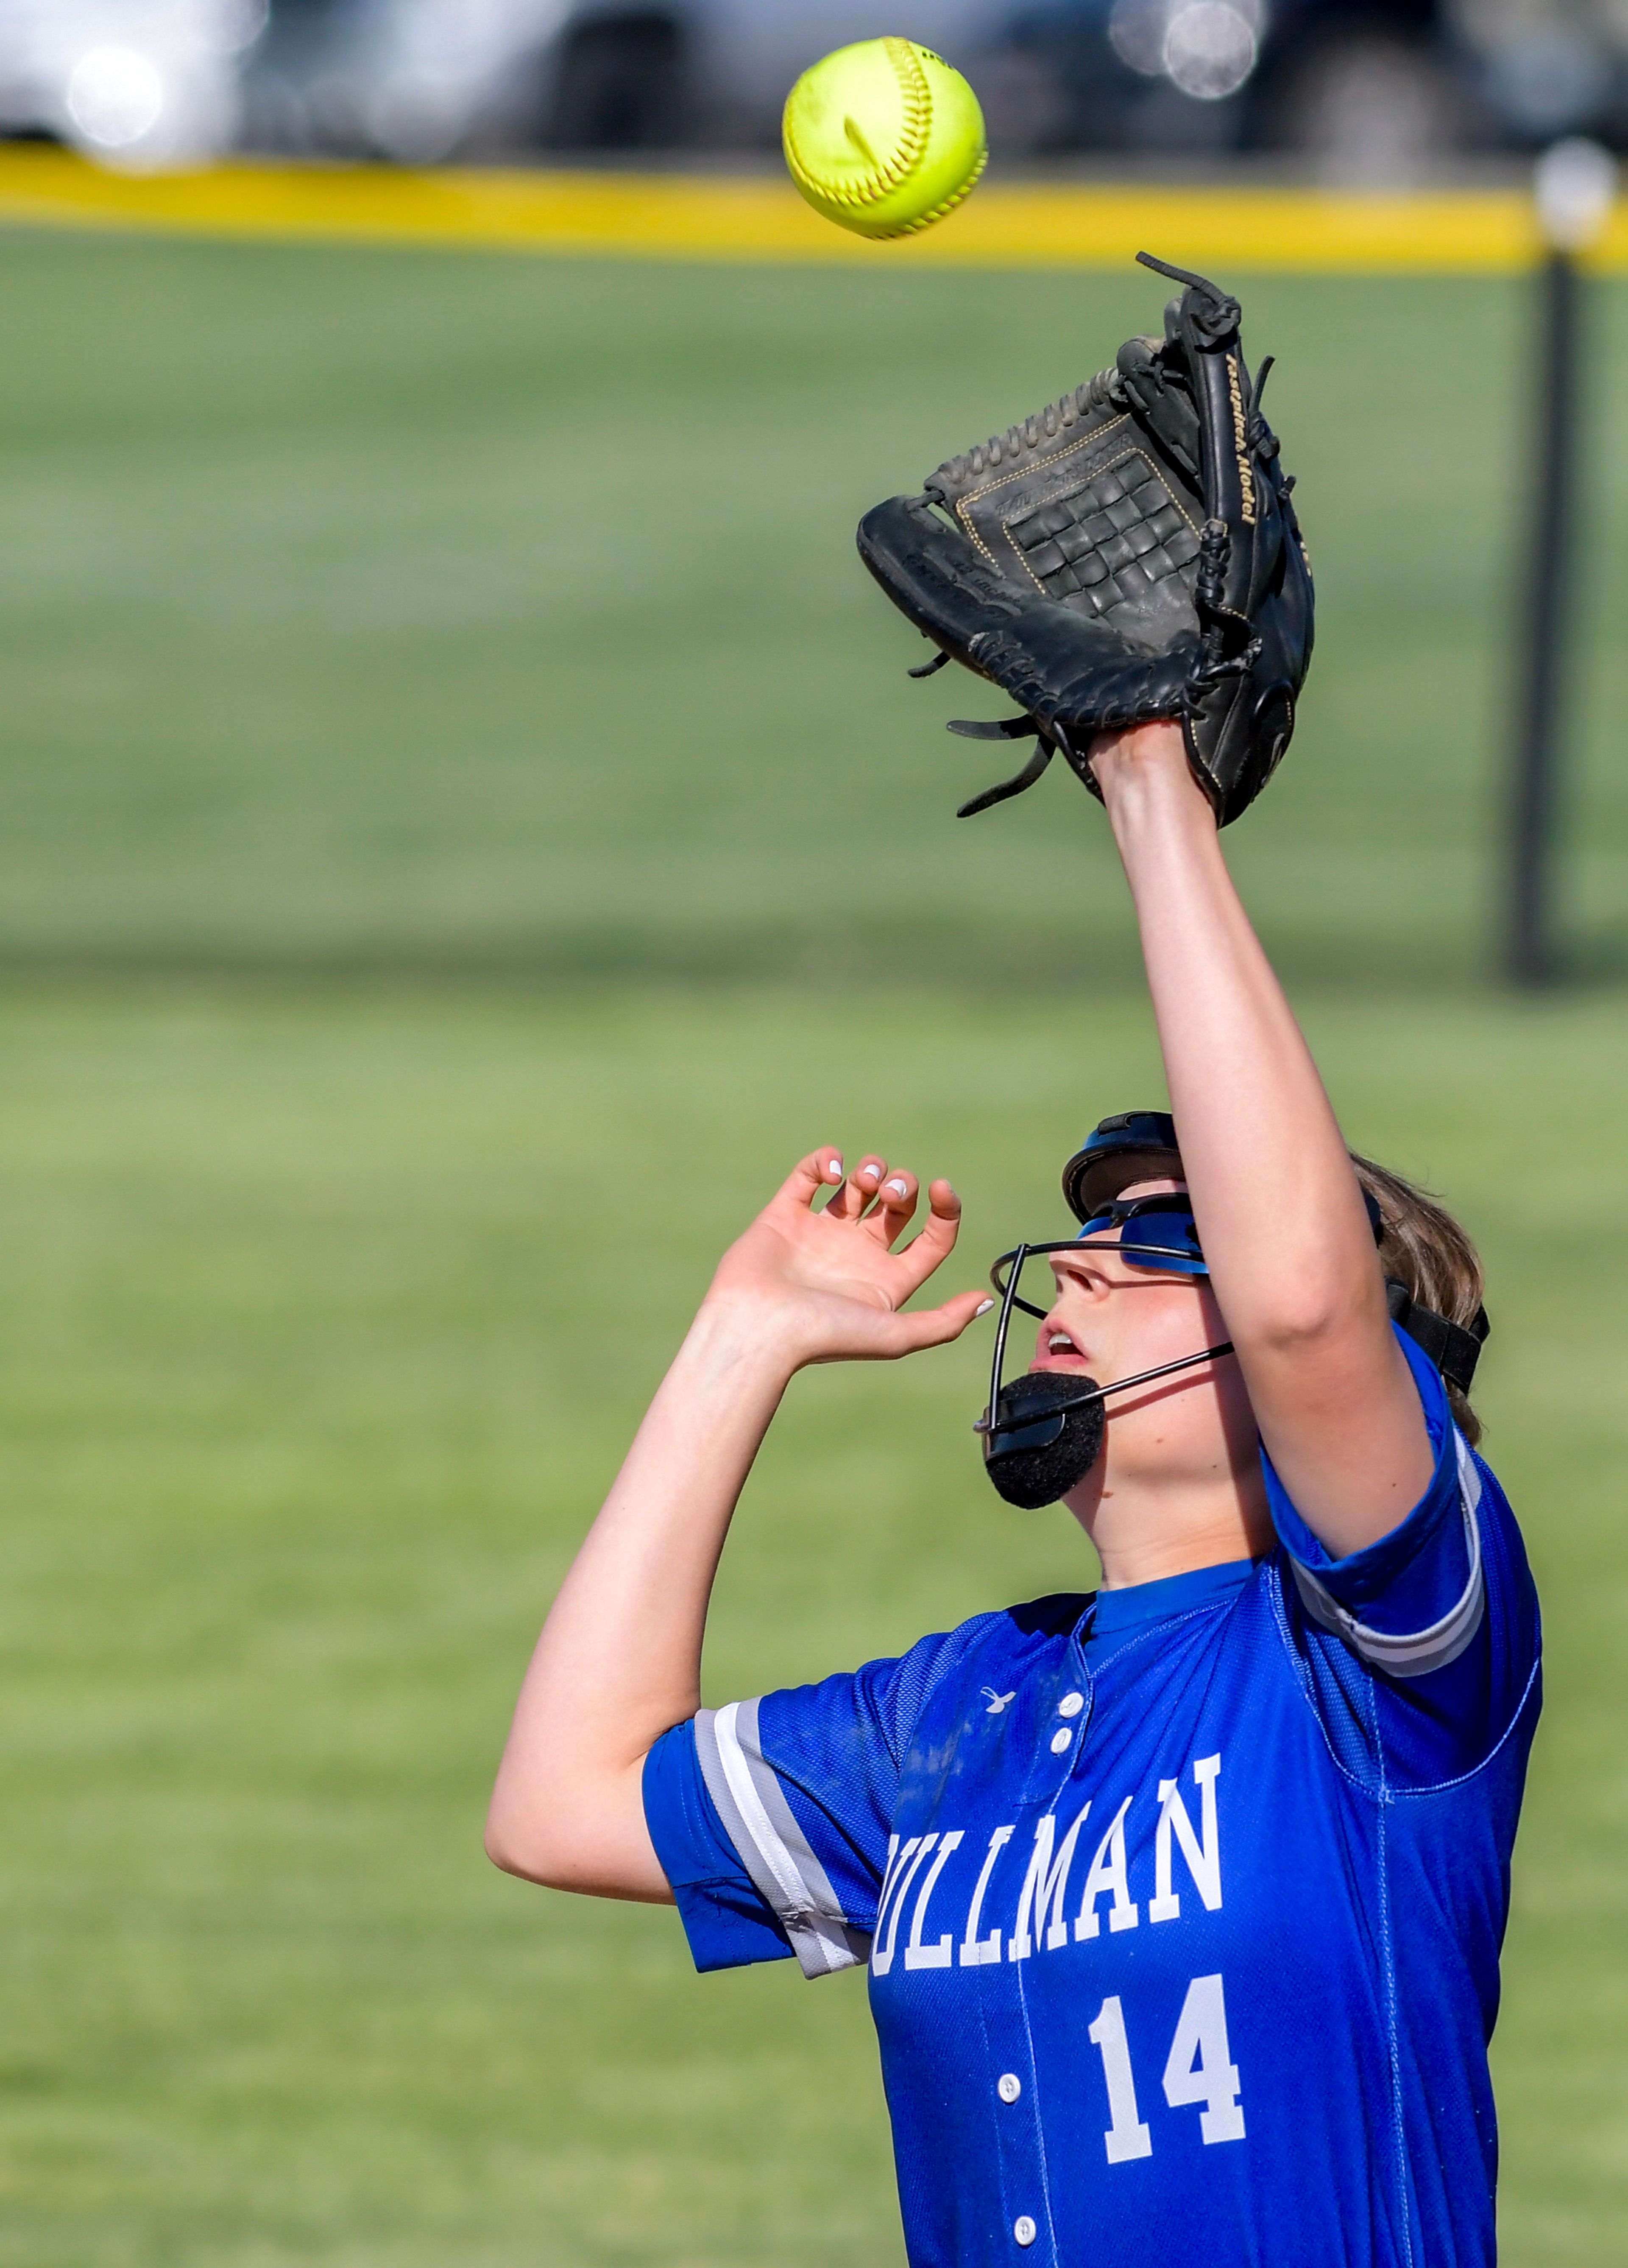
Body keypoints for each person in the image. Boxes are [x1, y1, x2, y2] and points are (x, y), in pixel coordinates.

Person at [486, 718, 1540, 2268]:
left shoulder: (1386, 1674)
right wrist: (743, 1339)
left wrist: (1146, 781)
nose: (1089, 1264)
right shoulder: (958, 1711)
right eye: (1098, 1234)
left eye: (1174, 1245)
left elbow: (1310, 1309)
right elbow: (561, 1799)